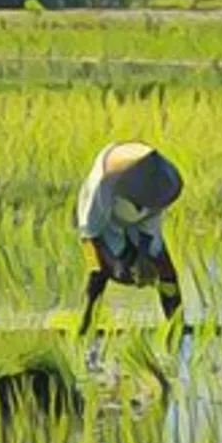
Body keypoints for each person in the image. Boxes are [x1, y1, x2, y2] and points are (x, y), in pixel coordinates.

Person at [75, 141, 184, 335]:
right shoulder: (98, 195)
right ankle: (86, 321)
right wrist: (113, 266)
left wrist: (144, 256)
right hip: (107, 225)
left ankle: (176, 325)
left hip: (135, 219)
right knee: (99, 272)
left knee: (164, 268)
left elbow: (149, 227)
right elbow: (90, 239)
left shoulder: (158, 182)